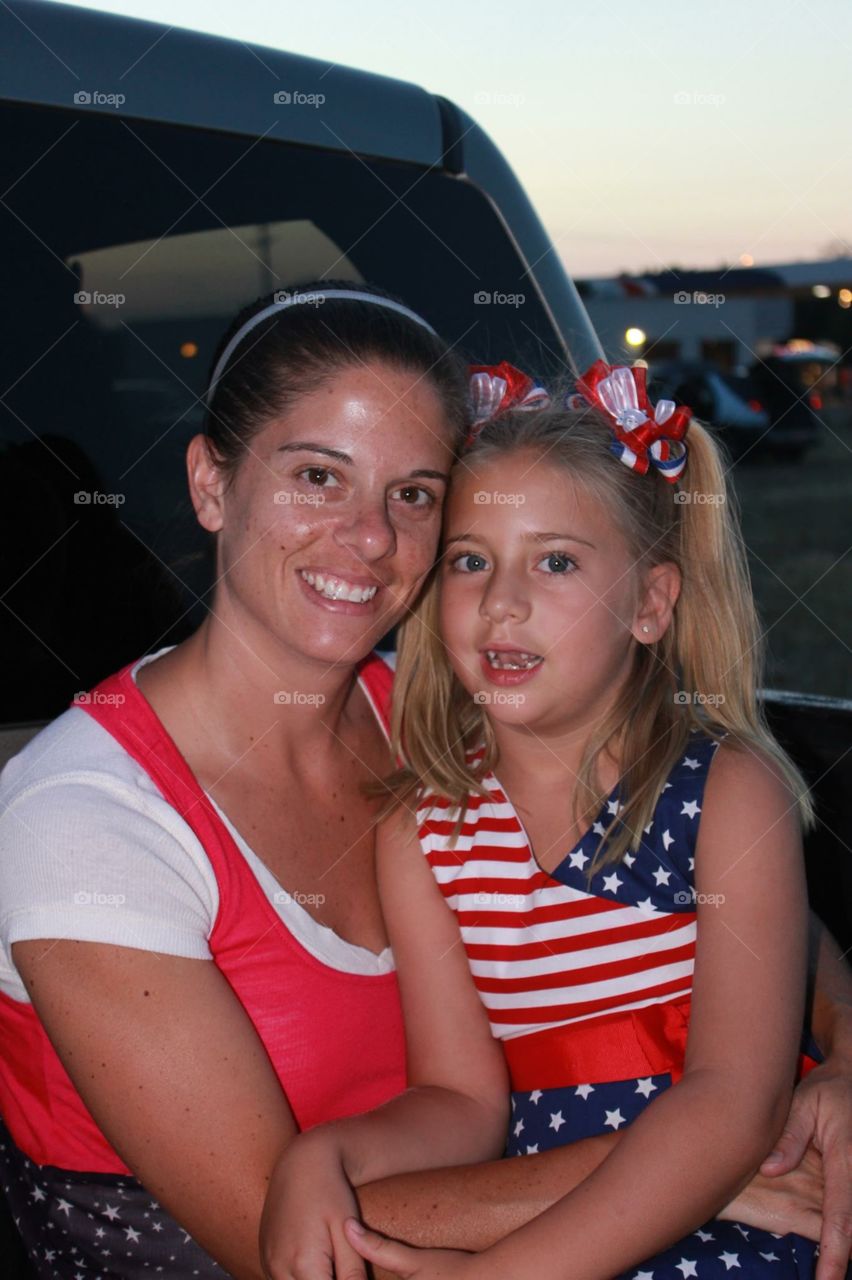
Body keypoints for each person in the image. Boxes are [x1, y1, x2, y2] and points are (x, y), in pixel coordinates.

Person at [0, 297, 849, 1280]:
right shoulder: (86, 820)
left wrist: (842, 1054)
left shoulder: (447, 711)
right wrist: (705, 1163)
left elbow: (740, 917)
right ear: (211, 480)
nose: (366, 535)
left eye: (413, 495)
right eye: (318, 475)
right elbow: (281, 1232)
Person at [258, 362, 852, 1280]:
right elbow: (459, 1096)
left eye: (558, 561)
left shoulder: (726, 794)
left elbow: (735, 1098)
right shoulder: (426, 831)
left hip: (735, 1217)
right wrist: (327, 1153)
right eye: (470, 560)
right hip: (543, 1200)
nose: (503, 600)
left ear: (652, 604)